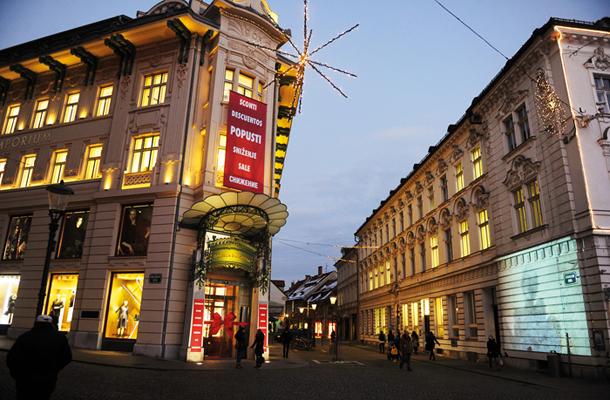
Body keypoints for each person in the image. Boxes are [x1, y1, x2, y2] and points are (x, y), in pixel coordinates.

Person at [6, 315, 72, 400]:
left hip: (26, 377)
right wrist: (54, 369)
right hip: (47, 377)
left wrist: (17, 373)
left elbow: (12, 357)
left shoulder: (26, 336)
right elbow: (66, 357)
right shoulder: (60, 338)